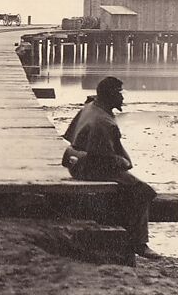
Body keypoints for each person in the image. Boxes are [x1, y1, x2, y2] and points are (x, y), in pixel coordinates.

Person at [62, 76, 159, 256]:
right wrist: (124, 162)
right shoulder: (102, 122)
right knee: (144, 191)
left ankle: (127, 231)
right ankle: (139, 243)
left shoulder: (91, 107)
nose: (122, 98)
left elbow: (72, 138)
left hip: (75, 161)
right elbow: (104, 160)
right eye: (119, 94)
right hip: (89, 166)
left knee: (128, 186)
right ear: (110, 96)